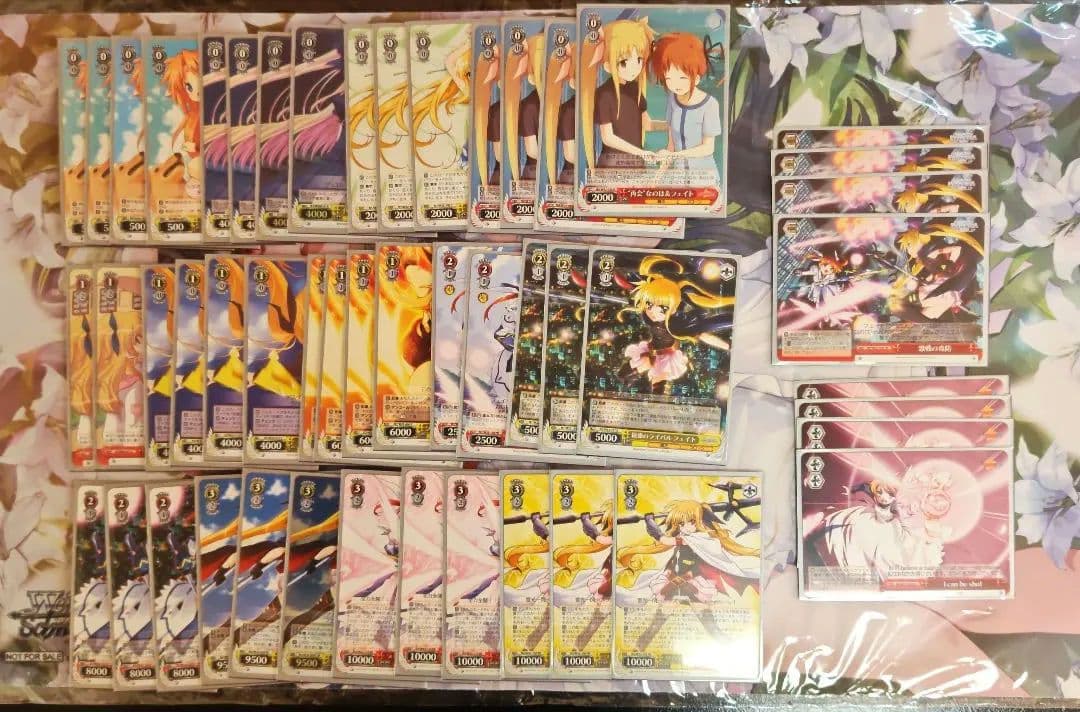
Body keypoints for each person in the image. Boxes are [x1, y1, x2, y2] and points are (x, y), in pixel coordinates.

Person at [580, 17, 666, 171]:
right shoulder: (604, 94)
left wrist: (672, 125)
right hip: (612, 167)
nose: (634, 68)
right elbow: (608, 138)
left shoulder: (635, 89)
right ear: (607, 65)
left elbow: (648, 125)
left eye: (639, 60)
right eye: (624, 62)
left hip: (636, 165)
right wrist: (641, 153)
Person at [649, 32, 723, 178]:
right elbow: (671, 145)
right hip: (679, 178)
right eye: (669, 78)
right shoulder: (672, 99)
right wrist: (656, 179)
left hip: (704, 178)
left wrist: (675, 155)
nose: (675, 84)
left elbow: (708, 148)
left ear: (696, 77)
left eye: (682, 78)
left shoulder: (710, 104)